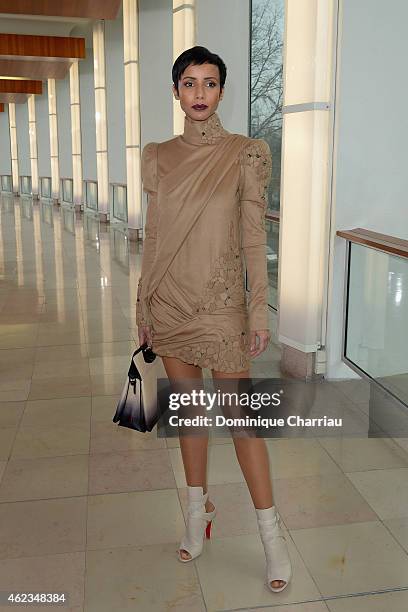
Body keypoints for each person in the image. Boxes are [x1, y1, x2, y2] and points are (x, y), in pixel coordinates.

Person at [137, 45, 292, 593]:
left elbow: (254, 239)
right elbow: (154, 238)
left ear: (222, 90)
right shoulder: (157, 155)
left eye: (209, 83)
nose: (199, 93)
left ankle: (271, 534)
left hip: (223, 306)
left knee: (243, 422)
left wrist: (258, 309)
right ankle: (196, 512)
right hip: (170, 304)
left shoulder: (246, 154)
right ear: (175, 91)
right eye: (189, 83)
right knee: (191, 418)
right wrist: (143, 306)